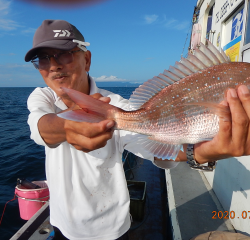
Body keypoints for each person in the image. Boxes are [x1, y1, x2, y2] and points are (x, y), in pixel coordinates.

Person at [25, 19, 250, 240]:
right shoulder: (43, 97)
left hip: (112, 228)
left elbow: (151, 148)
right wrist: (67, 126)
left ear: (86, 59)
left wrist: (209, 152)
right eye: (42, 59)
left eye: (63, 54)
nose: (53, 65)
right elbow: (39, 125)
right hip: (62, 223)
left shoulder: (116, 107)